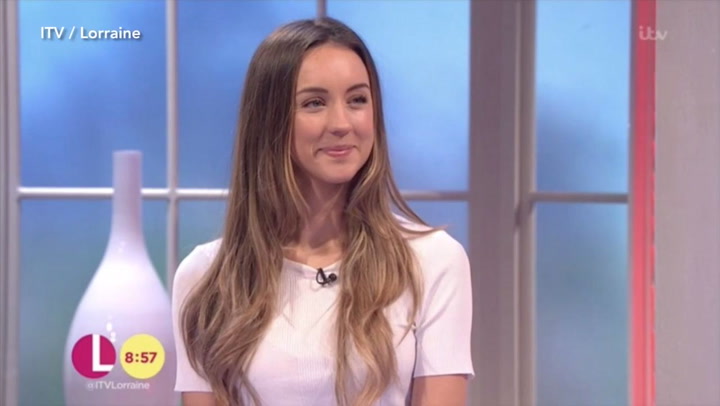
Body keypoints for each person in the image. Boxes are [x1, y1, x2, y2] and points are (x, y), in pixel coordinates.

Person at [171, 16, 474, 406]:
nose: (342, 123)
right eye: (314, 103)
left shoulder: (433, 261)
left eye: (357, 100)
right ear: (270, 121)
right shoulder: (205, 278)